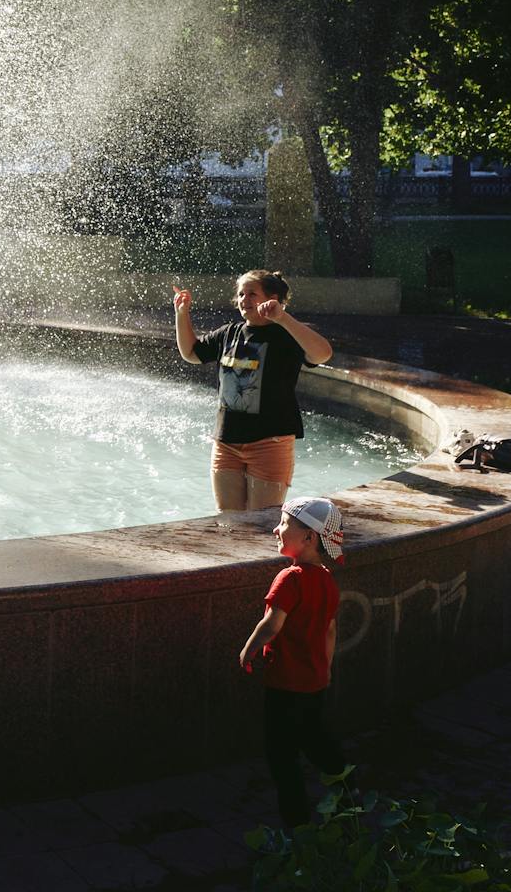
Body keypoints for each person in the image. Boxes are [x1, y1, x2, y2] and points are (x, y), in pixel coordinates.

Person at [173, 269, 334, 511]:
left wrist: (283, 318)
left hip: (270, 442)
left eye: (251, 294)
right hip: (226, 441)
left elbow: (323, 353)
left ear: (273, 298)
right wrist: (181, 314)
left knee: (262, 522)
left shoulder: (287, 334)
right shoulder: (229, 333)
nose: (244, 300)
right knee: (229, 520)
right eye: (240, 294)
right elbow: (192, 354)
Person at [238, 496, 349, 828]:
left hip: (285, 683)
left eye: (284, 523)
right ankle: (347, 792)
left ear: (309, 537)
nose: (276, 529)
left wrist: (248, 650)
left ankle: (296, 825)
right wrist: (325, 670)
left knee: (282, 757)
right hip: (314, 682)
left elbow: (272, 623)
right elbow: (330, 631)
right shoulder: (327, 580)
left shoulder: (291, 579)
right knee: (316, 740)